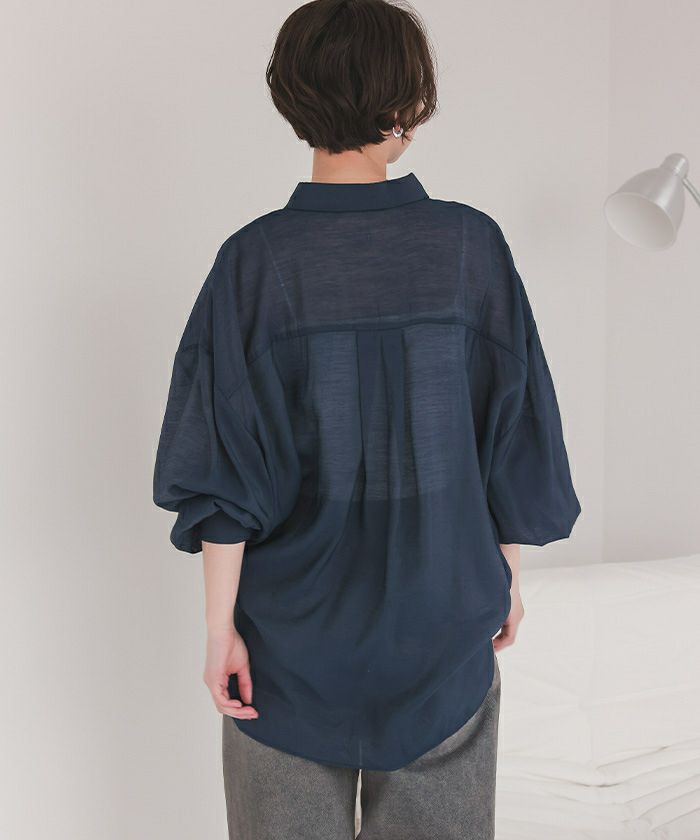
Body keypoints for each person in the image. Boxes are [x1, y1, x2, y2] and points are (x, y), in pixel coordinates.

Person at [152, 0, 581, 837]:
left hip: (286, 649)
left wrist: (219, 629)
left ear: (292, 95)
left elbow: (222, 469)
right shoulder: (470, 247)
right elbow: (513, 430)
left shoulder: (254, 261)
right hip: (443, 625)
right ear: (409, 102)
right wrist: (507, 579)